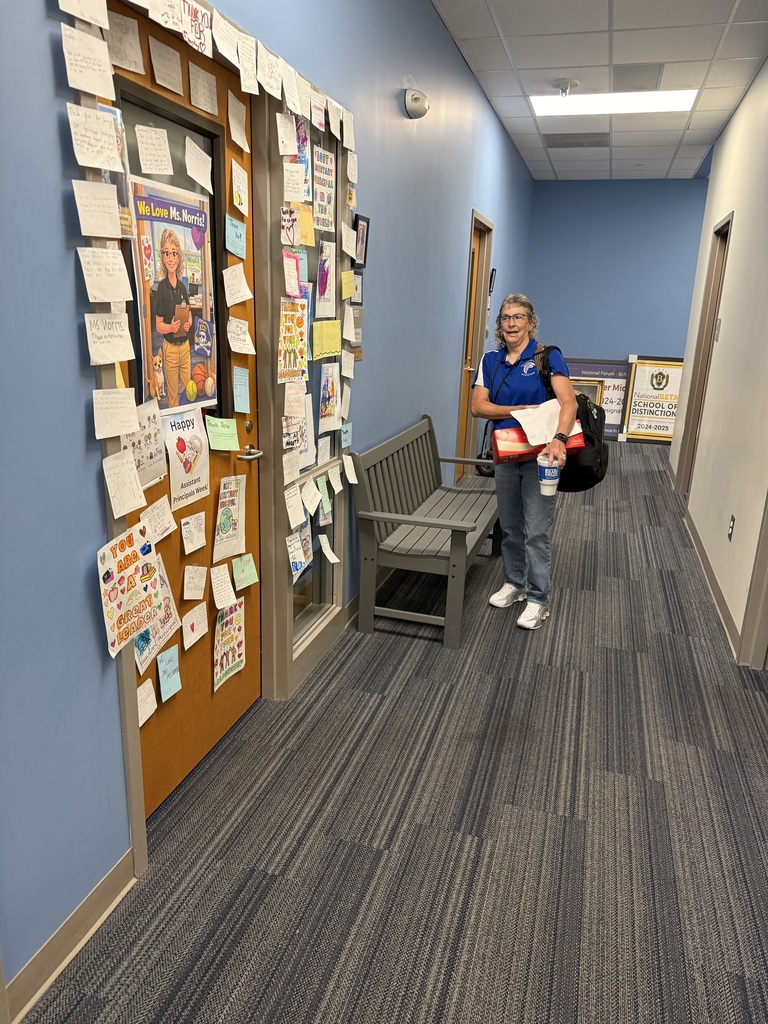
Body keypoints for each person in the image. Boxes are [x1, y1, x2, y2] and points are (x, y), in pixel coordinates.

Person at [471, 293, 577, 629]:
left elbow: (569, 402)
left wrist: (559, 438)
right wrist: (517, 410)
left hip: (541, 456)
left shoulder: (547, 357)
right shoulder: (491, 360)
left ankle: (538, 599)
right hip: (505, 454)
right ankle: (515, 583)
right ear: (499, 325)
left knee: (536, 531)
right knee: (511, 526)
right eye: (505, 318)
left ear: (531, 322)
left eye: (518, 317)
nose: (511, 323)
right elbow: (477, 406)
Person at [154, 229, 193, 410]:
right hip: (169, 349)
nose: (170, 258)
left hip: (185, 348)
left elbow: (189, 314)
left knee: (188, 393)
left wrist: (188, 323)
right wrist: (170, 328)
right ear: (162, 257)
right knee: (172, 397)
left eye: (174, 254)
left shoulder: (183, 287)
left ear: (179, 258)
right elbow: (158, 325)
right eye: (166, 253)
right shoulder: (161, 288)